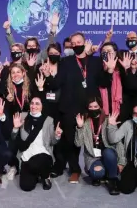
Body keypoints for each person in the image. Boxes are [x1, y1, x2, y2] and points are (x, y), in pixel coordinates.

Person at [46, 32, 112, 183]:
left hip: (90, 109)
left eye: (78, 42)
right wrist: (48, 76)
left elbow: (103, 83)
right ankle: (75, 170)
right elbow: (57, 84)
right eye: (73, 43)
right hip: (69, 108)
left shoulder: (95, 62)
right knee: (70, 142)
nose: (76, 45)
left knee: (93, 139)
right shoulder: (66, 62)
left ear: (85, 42)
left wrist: (109, 70)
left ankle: (98, 169)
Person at [74, 97, 123, 195]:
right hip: (93, 157)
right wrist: (79, 127)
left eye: (95, 106)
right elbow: (78, 143)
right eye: (90, 107)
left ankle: (112, 180)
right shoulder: (86, 121)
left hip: (108, 154)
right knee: (97, 173)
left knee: (108, 153)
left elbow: (117, 142)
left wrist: (112, 126)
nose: (93, 109)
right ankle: (105, 172)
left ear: (100, 107)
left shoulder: (108, 119)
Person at [11, 97, 62, 191]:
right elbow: (13, 137)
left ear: (42, 107)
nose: (34, 106)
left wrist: (57, 136)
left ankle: (46, 176)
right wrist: (15, 128)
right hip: (26, 154)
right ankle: (38, 174)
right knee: (26, 187)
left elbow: (52, 142)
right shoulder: (22, 116)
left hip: (43, 153)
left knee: (37, 161)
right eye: (32, 103)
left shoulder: (48, 120)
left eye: (37, 104)